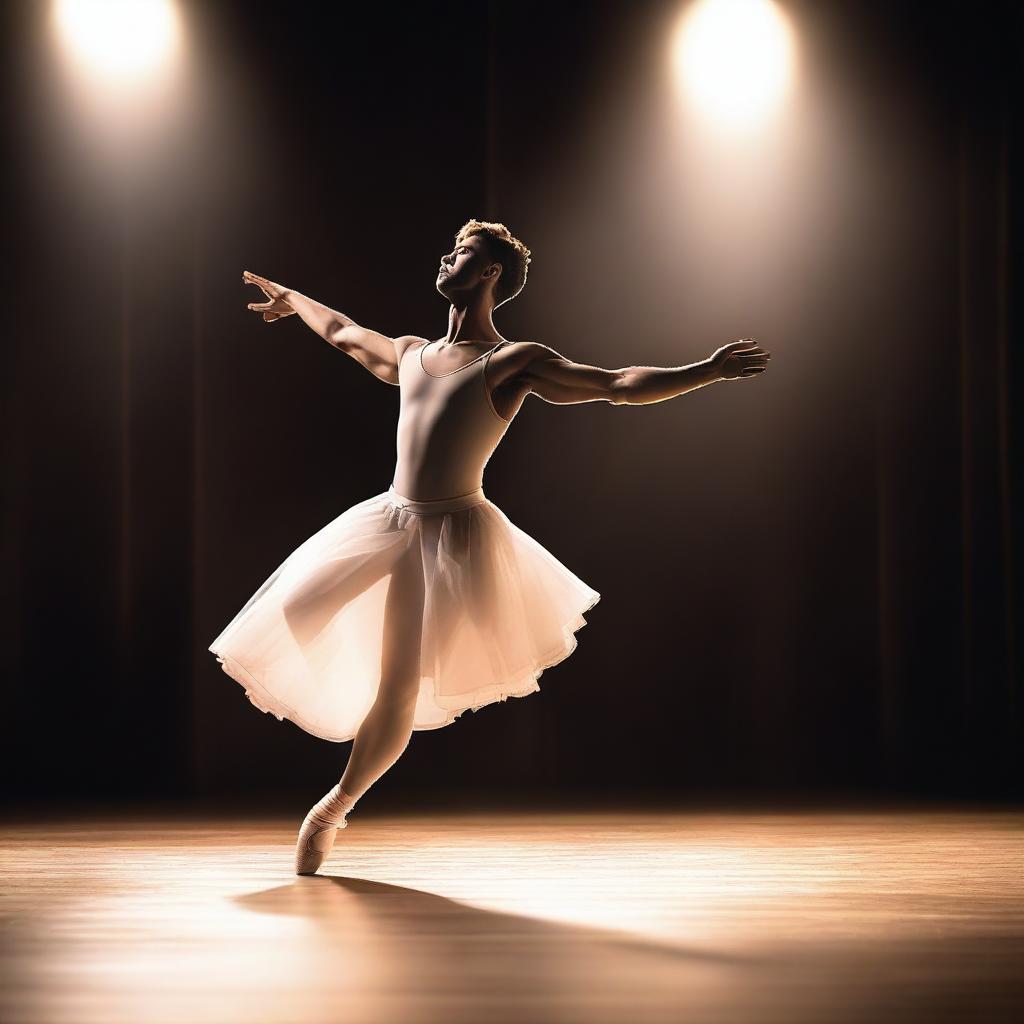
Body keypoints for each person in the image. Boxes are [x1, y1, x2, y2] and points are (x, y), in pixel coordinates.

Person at [209, 219, 770, 875]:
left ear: (489, 274)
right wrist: (294, 298)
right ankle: (334, 790)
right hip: (389, 521)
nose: (447, 257)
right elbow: (342, 332)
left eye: (463, 252)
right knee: (297, 610)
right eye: (449, 247)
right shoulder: (412, 352)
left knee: (396, 688)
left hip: (450, 535)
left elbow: (616, 385)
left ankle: (332, 810)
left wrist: (705, 370)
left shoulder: (513, 361)